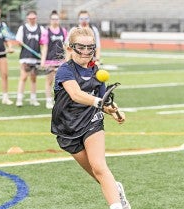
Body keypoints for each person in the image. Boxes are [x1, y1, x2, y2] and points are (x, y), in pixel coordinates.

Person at [51, 27, 130, 209]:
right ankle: (116, 189)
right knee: (97, 173)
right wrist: (99, 103)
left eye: (90, 47)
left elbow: (104, 102)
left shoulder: (97, 72)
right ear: (70, 48)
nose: (86, 52)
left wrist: (114, 111)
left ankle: (118, 205)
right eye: (81, 47)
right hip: (66, 127)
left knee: (100, 167)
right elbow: (76, 94)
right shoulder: (65, 70)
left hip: (91, 122)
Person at [15, 10, 45, 107]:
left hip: (36, 57)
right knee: (23, 77)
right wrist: (19, 43)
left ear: (36, 18)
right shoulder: (22, 28)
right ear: (27, 18)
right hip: (25, 57)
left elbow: (44, 43)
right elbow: (18, 41)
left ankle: (33, 99)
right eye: (30, 18)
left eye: (34, 18)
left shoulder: (41, 29)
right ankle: (19, 99)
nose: (32, 20)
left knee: (33, 78)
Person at [40, 10, 67, 109]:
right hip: (50, 60)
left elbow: (65, 46)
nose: (55, 21)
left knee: (61, 82)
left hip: (61, 60)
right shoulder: (47, 31)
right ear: (50, 20)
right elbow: (45, 47)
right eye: (53, 19)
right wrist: (43, 61)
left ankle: (60, 100)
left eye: (57, 19)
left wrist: (67, 59)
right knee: (49, 81)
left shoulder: (63, 31)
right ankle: (48, 100)